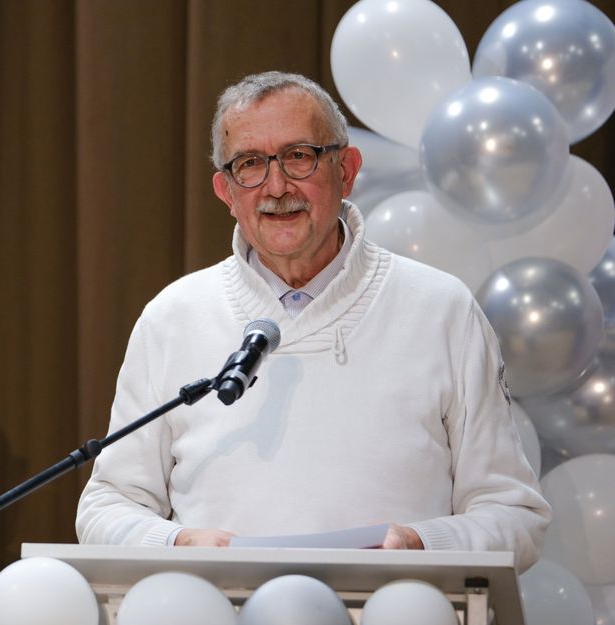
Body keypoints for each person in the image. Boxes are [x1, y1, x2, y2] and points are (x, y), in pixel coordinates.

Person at [75, 72, 550, 571]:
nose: (276, 187)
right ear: (226, 191)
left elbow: (514, 517)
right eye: (250, 165)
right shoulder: (173, 317)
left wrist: (421, 545)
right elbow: (107, 506)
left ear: (346, 169)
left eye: (298, 156)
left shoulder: (441, 308)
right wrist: (178, 546)